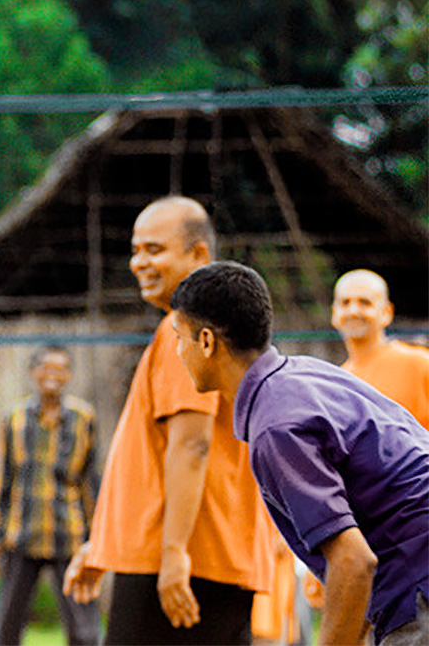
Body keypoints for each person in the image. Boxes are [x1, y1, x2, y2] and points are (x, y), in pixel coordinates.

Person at [169, 261, 429, 646]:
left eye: (180, 337)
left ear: (206, 342)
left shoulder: (275, 426)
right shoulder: (304, 375)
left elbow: (354, 562)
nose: (178, 351)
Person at [62, 196, 272, 645]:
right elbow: (154, 461)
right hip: (190, 556)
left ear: (198, 254)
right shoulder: (190, 328)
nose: (139, 263)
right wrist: (103, 543)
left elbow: (192, 445)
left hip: (182, 561)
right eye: (136, 250)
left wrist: (175, 553)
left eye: (154, 250)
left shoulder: (188, 330)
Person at [0, 345, 101, 646]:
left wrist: (97, 538)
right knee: (7, 628)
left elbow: (91, 480)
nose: (52, 375)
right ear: (34, 373)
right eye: (45, 368)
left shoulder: (84, 418)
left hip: (70, 536)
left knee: (85, 631)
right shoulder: (14, 419)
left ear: (68, 375)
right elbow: (5, 479)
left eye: (60, 369)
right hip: (20, 534)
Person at [331, 269, 429, 429]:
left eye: (365, 302)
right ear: (334, 313)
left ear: (386, 312)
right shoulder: (338, 380)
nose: (353, 311)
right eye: (345, 302)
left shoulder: (418, 364)